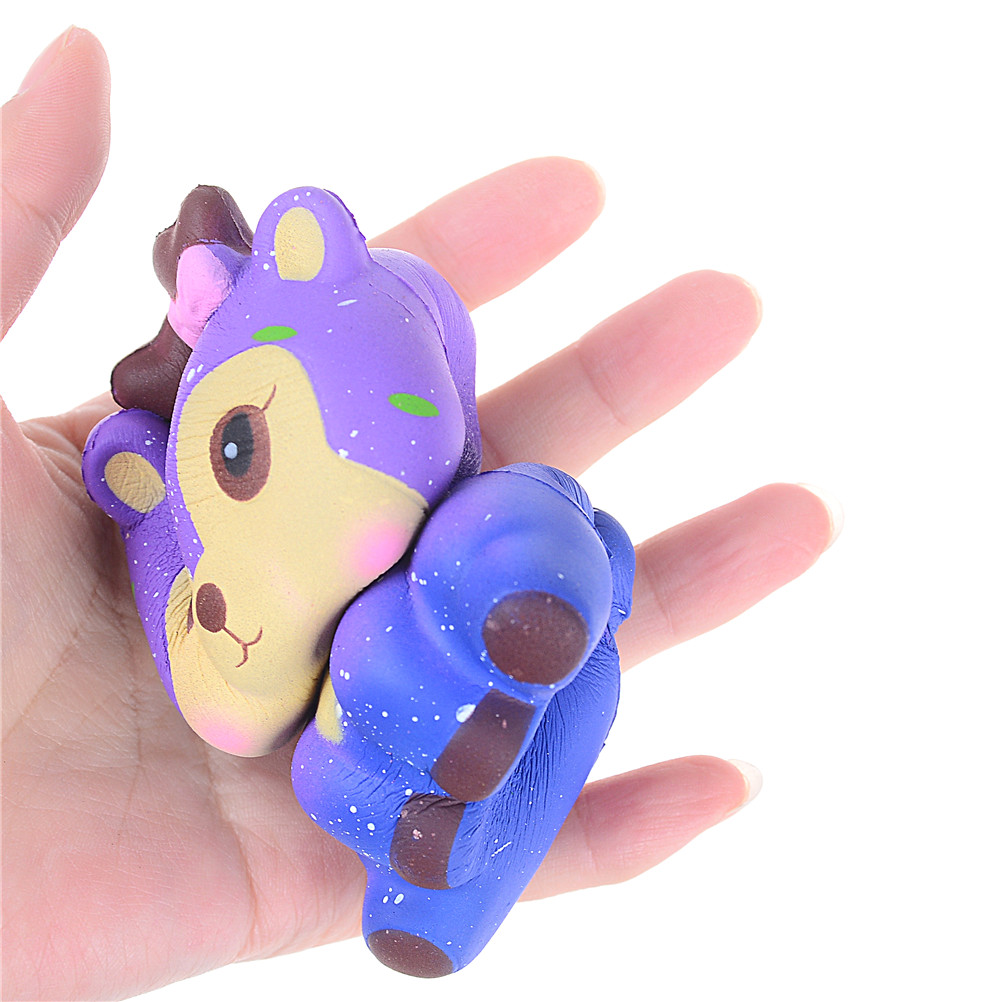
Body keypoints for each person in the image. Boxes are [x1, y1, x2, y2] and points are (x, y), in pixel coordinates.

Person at [0, 28, 839, 1001]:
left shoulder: (360, 407)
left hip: (443, 567)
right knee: (337, 749)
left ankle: (524, 617)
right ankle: (437, 867)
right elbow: (221, 656)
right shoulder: (216, 565)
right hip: (326, 675)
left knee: (443, 603)